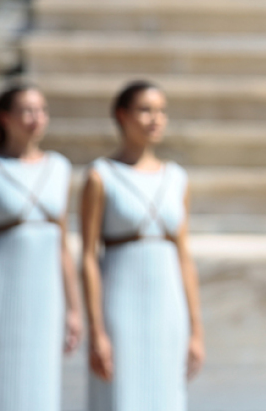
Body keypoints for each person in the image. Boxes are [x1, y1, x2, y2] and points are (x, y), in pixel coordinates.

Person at [81, 80, 205, 411]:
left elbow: (184, 256)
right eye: (145, 110)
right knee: (121, 396)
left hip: (169, 306)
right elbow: (89, 258)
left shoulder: (177, 178)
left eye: (162, 111)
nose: (155, 119)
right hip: (120, 305)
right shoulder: (100, 176)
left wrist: (196, 329)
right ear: (122, 115)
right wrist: (97, 330)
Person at [0, 83, 81, 409]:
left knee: (42, 382)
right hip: (0, 290)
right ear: (4, 117)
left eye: (41, 110)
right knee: (0, 379)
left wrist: (74, 309)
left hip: (46, 293)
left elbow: (62, 244)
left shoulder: (60, 168)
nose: (35, 118)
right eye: (26, 110)